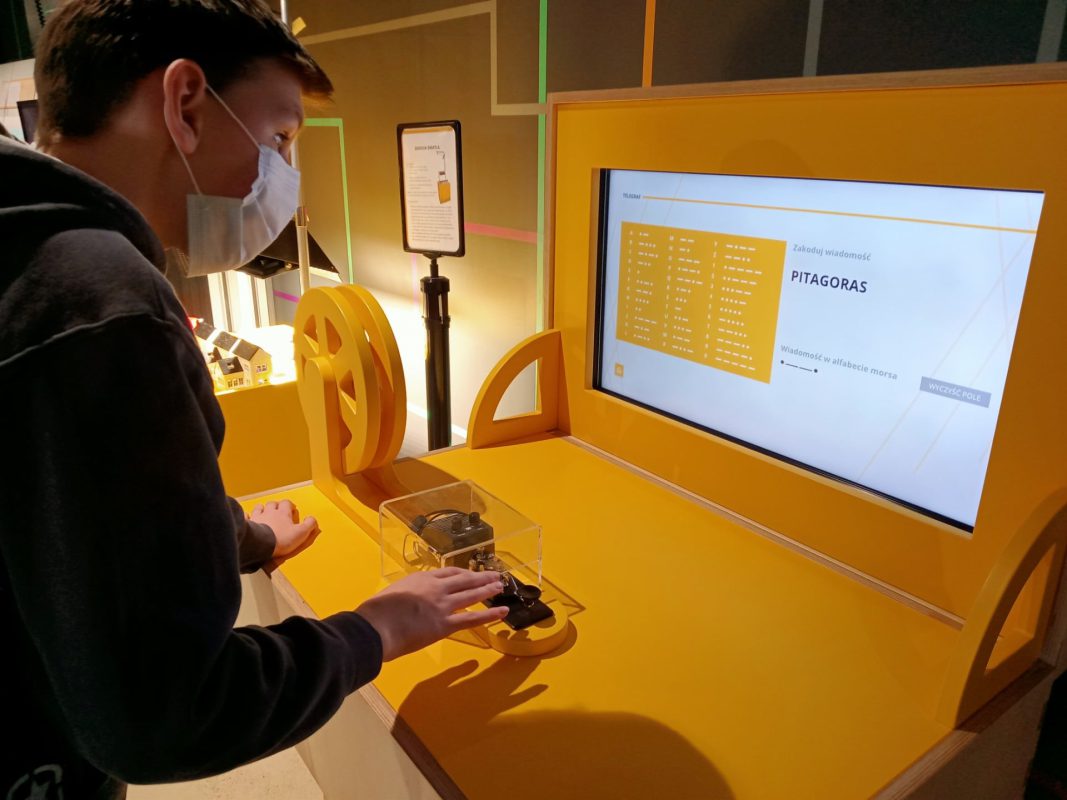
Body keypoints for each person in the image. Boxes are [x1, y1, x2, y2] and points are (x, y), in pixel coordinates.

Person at [0, 2, 508, 798]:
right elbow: (166, 716)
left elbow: (61, 504)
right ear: (185, 103)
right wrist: (377, 629)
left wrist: (231, 534)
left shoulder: (23, 255)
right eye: (279, 136)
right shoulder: (100, 302)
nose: (284, 177)